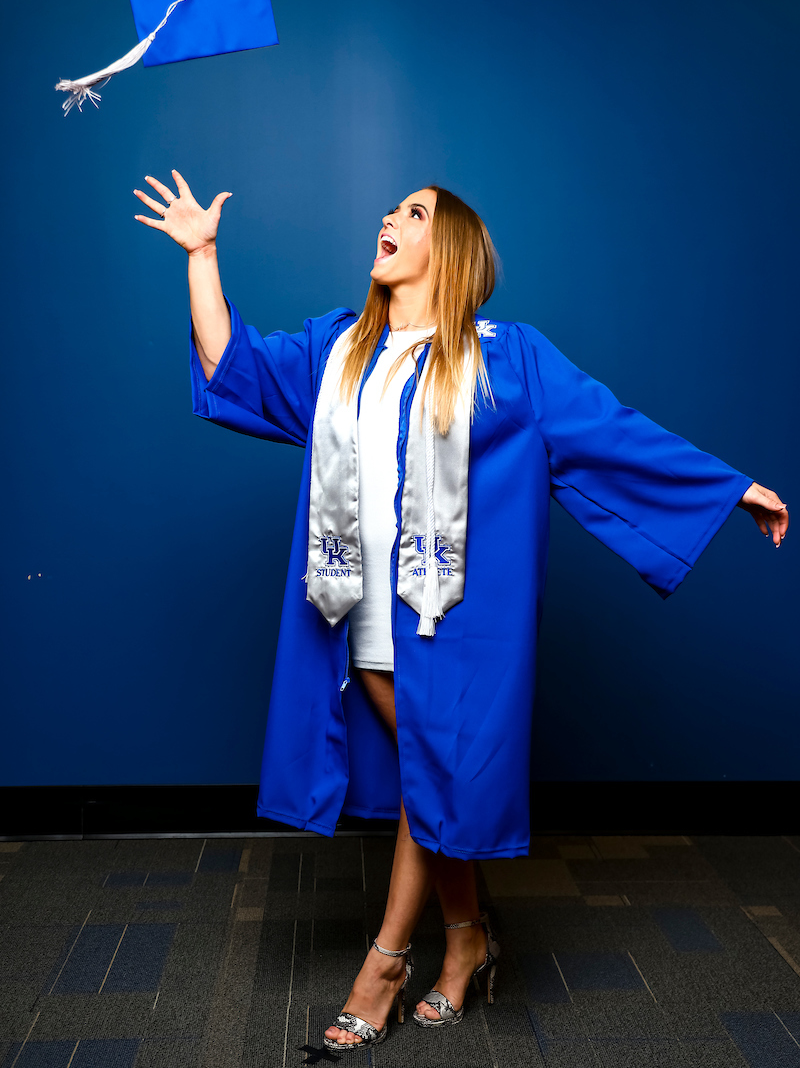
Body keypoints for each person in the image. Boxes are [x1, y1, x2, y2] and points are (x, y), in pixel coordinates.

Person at [135, 171, 788, 1050]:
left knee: (424, 775)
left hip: (454, 624)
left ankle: (385, 963)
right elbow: (232, 366)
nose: (389, 218)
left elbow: (609, 428)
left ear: (453, 251)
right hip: (358, 615)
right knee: (426, 776)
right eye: (393, 208)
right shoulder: (342, 351)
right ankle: (471, 937)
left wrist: (730, 487)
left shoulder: (504, 357)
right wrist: (203, 256)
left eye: (414, 213)